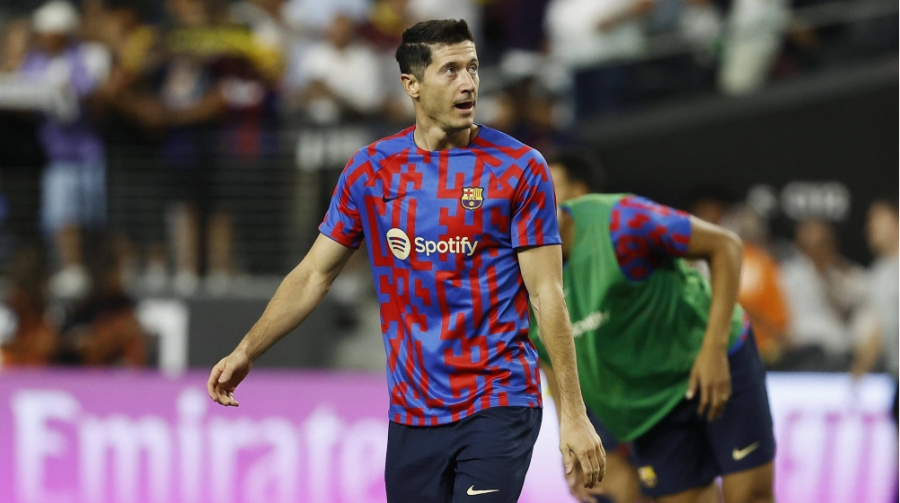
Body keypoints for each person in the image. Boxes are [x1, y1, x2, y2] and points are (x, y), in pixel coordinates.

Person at [207, 19, 604, 502]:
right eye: (451, 70)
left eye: (473, 67)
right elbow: (314, 274)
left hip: (499, 400)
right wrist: (247, 350)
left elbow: (547, 293)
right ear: (411, 85)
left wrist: (574, 413)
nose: (468, 82)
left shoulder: (521, 168)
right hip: (413, 414)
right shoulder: (372, 170)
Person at [534, 150, 776, 503]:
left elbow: (725, 246)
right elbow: (550, 359)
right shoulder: (510, 277)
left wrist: (713, 350)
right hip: (646, 405)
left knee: (749, 495)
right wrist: (569, 437)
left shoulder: (622, 221)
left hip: (710, 359)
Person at [851, 199, 899, 423]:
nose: (870, 228)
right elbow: (881, 327)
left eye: (877, 220)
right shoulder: (881, 272)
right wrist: (859, 370)